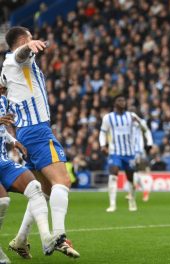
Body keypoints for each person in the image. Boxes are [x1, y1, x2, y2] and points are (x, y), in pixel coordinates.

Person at [1, 26, 79, 258]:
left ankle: (21, 240)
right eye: (29, 37)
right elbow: (20, 55)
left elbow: (4, 84)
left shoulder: (7, 68)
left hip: (27, 132)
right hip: (36, 130)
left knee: (43, 189)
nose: (33, 40)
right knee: (62, 181)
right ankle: (59, 236)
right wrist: (27, 47)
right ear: (24, 39)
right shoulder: (18, 59)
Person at [0, 94, 58, 262]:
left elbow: (2, 129)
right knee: (3, 201)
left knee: (35, 187)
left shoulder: (4, 101)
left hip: (4, 161)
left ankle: (46, 238)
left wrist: (14, 141)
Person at [100, 95, 147, 212]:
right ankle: (112, 204)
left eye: (123, 100)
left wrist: (139, 123)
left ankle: (132, 201)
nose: (122, 102)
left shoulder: (131, 116)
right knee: (113, 174)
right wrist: (102, 146)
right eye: (119, 100)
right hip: (115, 152)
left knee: (130, 178)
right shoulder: (108, 118)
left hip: (129, 153)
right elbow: (103, 132)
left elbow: (145, 128)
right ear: (114, 103)